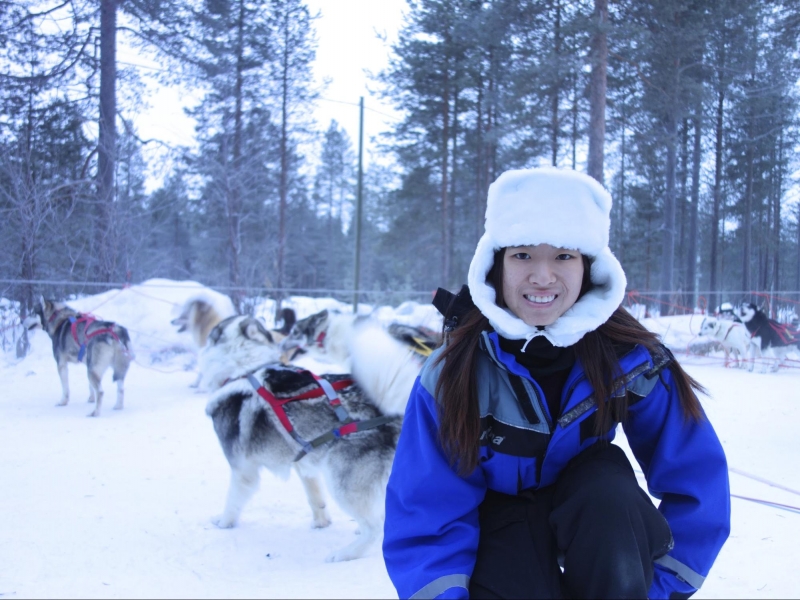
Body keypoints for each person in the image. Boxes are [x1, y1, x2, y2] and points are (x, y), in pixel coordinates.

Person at [382, 167, 730, 600]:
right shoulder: (454, 374)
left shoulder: (632, 361)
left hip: (598, 521)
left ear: (589, 267)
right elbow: (426, 511)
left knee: (608, 489)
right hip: (499, 526)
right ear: (495, 265)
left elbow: (698, 481)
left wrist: (662, 589)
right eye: (523, 255)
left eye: (563, 256)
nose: (542, 276)